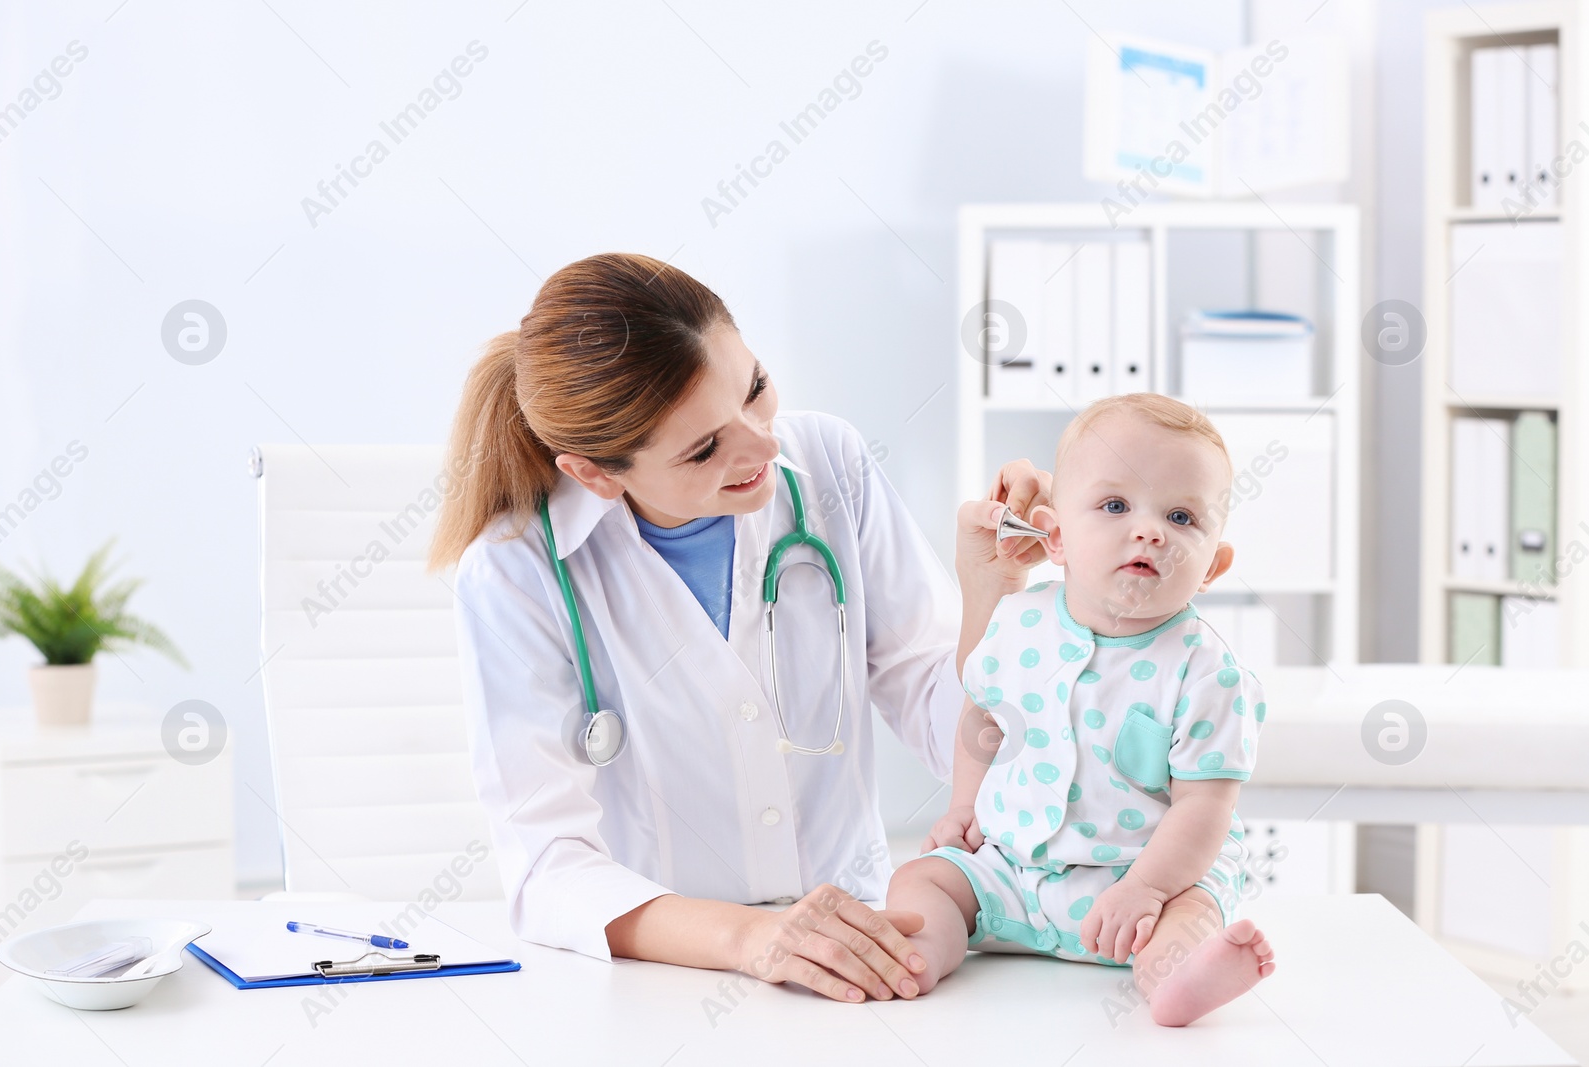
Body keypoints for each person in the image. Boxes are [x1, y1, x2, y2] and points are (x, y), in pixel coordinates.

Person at [427, 251, 1051, 1004]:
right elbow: (546, 864)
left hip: (859, 950)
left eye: (754, 389)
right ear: (596, 472)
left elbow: (943, 722)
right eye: (703, 448)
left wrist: (991, 594)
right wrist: (750, 938)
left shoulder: (832, 463)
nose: (764, 444)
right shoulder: (516, 572)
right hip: (658, 983)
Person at [886, 392, 1277, 1027]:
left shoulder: (1210, 671)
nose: (1148, 529)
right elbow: (983, 719)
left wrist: (1146, 889)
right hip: (1010, 869)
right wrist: (964, 808)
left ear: (1213, 565)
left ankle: (1175, 976)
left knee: (1193, 911)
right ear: (1057, 537)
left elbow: (1205, 807)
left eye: (1181, 516)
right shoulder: (1017, 623)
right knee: (922, 880)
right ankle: (918, 951)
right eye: (1116, 505)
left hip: (1140, 880)